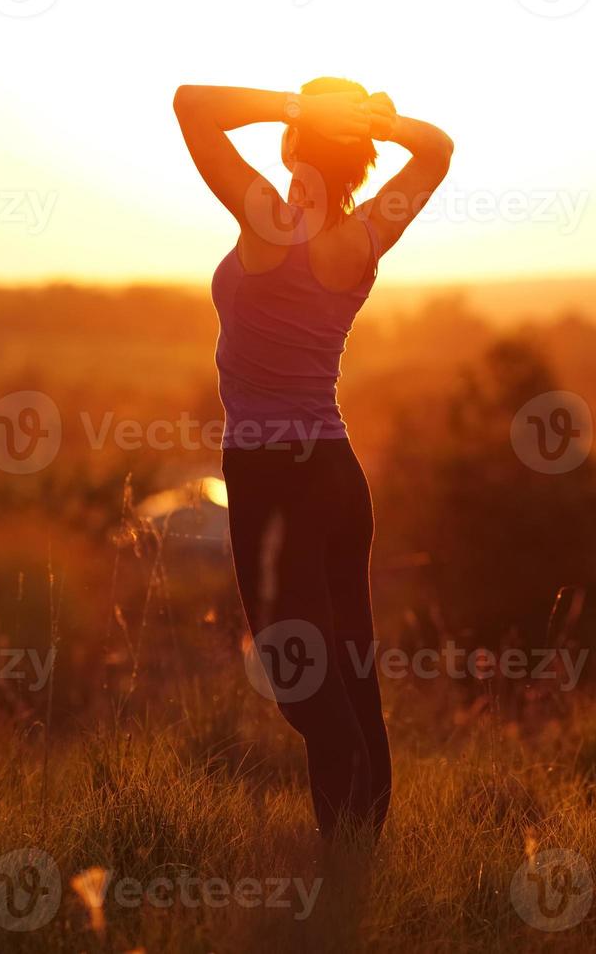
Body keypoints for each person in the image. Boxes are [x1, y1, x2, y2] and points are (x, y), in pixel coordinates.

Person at [173, 78, 453, 841]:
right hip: (336, 473)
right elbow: (437, 151)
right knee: (351, 667)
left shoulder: (268, 222)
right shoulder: (363, 237)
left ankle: (347, 849)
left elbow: (191, 103)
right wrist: (382, 122)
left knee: (297, 677)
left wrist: (296, 105)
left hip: (271, 480)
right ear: (360, 159)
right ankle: (361, 849)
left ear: (298, 145)